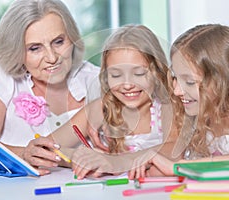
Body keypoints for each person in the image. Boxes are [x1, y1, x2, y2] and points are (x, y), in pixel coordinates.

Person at [71, 24, 229, 179]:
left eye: (189, 81)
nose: (176, 90)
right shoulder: (203, 118)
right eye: (175, 78)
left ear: (221, 81)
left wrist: (180, 167)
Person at [0, 0, 100, 175]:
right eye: (35, 48)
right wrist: (23, 154)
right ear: (16, 51)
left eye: (58, 42)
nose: (52, 57)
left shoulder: (96, 80)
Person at [47, 24, 174, 159]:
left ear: (157, 72)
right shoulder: (99, 109)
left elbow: (173, 148)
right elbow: (47, 147)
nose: (127, 85)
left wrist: (115, 162)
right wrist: (81, 158)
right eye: (116, 75)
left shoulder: (166, 109)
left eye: (138, 73)